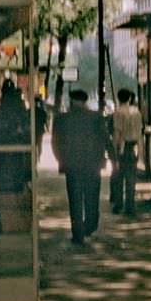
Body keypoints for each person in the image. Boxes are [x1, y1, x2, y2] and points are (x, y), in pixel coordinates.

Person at [52, 89, 108, 244]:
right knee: (92, 197)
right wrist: (110, 158)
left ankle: (77, 233)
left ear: (72, 101)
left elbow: (55, 142)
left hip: (72, 165)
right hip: (93, 164)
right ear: (85, 101)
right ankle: (90, 225)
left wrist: (61, 159)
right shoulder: (96, 117)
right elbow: (104, 139)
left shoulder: (62, 119)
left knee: (75, 200)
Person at [110, 89, 142, 216]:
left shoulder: (118, 112)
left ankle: (118, 204)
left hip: (122, 147)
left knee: (119, 177)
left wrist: (114, 148)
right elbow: (139, 132)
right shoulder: (136, 112)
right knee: (131, 177)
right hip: (134, 146)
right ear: (129, 98)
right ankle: (130, 205)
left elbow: (117, 132)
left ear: (119, 98)